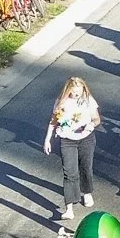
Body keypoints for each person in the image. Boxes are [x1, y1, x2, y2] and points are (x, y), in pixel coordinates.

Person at [43, 77, 100, 221]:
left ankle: (86, 192)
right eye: (73, 91)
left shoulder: (88, 100)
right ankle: (69, 208)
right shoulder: (61, 102)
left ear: (83, 90)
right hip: (67, 140)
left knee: (86, 167)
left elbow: (96, 119)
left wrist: (91, 125)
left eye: (79, 91)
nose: (76, 94)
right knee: (69, 172)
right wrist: (47, 139)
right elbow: (53, 121)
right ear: (68, 90)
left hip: (86, 138)